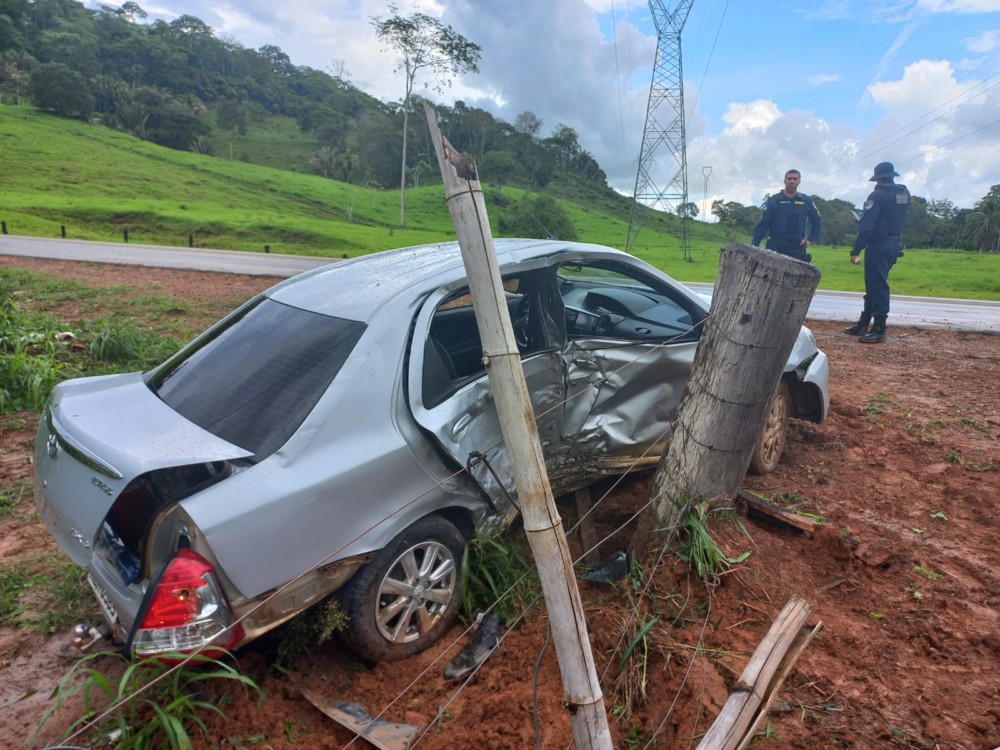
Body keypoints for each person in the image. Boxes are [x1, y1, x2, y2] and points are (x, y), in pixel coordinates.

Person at [845, 162, 910, 343]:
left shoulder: (877, 195)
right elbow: (891, 216)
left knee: (877, 287)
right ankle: (864, 323)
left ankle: (879, 329)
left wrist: (856, 250)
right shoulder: (903, 193)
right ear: (892, 176)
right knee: (874, 285)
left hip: (879, 245)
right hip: (894, 243)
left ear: (877, 178)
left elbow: (867, 228)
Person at [751, 169, 822, 262]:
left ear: (799, 182)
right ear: (785, 181)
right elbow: (763, 223)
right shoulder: (774, 200)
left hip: (797, 248)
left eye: (795, 179)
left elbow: (817, 220)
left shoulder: (806, 201)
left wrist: (810, 240)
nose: (792, 181)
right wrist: (755, 244)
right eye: (789, 179)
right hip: (775, 247)